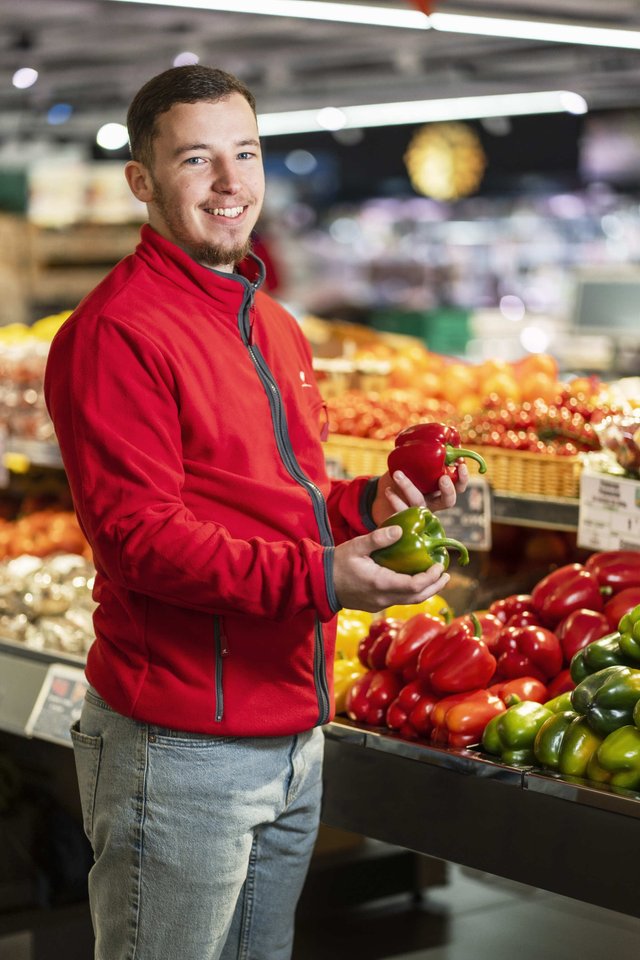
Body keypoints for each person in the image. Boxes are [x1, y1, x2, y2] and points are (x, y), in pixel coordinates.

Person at [44, 64, 468, 960]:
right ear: (142, 182)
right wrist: (326, 577)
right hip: (182, 746)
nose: (232, 184)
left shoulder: (270, 322)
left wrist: (370, 507)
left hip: (290, 734)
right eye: (198, 159)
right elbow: (140, 542)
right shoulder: (116, 333)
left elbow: (283, 494)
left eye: (247, 153)